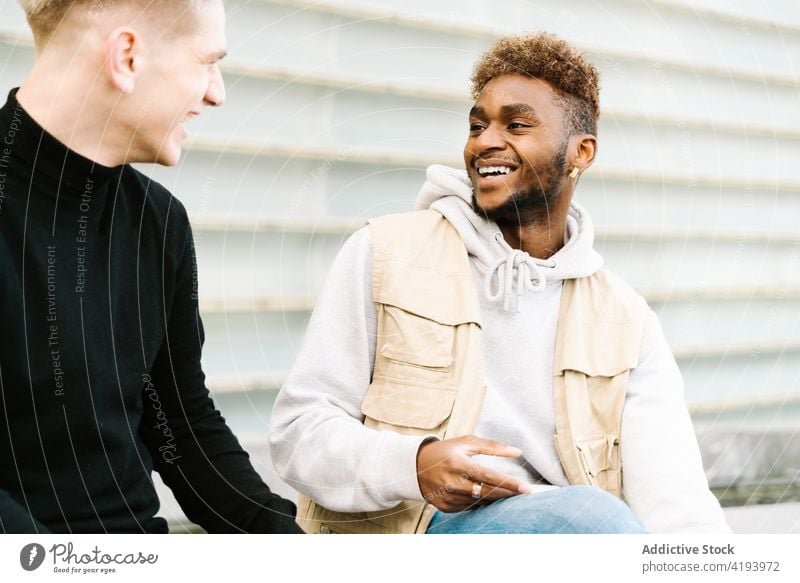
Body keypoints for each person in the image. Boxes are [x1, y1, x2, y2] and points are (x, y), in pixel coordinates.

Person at [269, 33, 731, 534]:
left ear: (581, 152)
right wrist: (414, 465)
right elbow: (298, 434)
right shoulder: (385, 252)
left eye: (516, 124)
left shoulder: (626, 320)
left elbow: (676, 502)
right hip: (416, 535)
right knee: (587, 519)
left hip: (564, 536)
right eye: (476, 124)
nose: (485, 140)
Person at [0, 0, 301, 533]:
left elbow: (180, 429)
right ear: (128, 57)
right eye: (207, 61)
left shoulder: (158, 222)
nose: (217, 92)